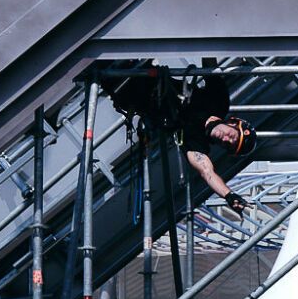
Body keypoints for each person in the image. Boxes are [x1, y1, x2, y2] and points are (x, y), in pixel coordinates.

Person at [99, 63, 258, 211]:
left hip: (128, 94)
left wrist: (228, 195)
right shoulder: (218, 102)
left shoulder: (197, 144)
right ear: (233, 123)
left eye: (228, 145)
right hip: (142, 73)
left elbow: (207, 172)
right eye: (232, 136)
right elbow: (209, 64)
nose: (226, 139)